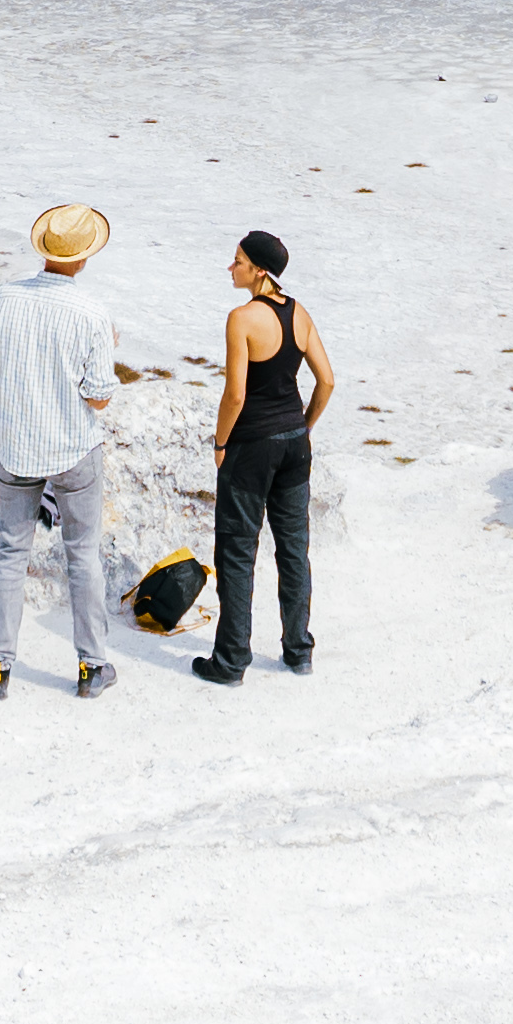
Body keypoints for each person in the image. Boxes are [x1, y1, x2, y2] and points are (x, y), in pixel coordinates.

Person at [0, 202, 126, 700]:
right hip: (73, 447)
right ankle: (91, 666)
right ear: (83, 258)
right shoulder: (92, 313)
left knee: (11, 552)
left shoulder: (4, 298)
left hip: (14, 447)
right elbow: (98, 396)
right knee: (82, 554)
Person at [191, 227, 332, 687]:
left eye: (236, 261)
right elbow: (327, 381)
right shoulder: (299, 313)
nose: (229, 268)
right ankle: (298, 652)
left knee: (237, 550)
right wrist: (302, 427)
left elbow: (235, 395)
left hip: (251, 448)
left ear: (259, 270)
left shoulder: (241, 319)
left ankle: (231, 661)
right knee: (294, 549)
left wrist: (219, 443)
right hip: (294, 443)